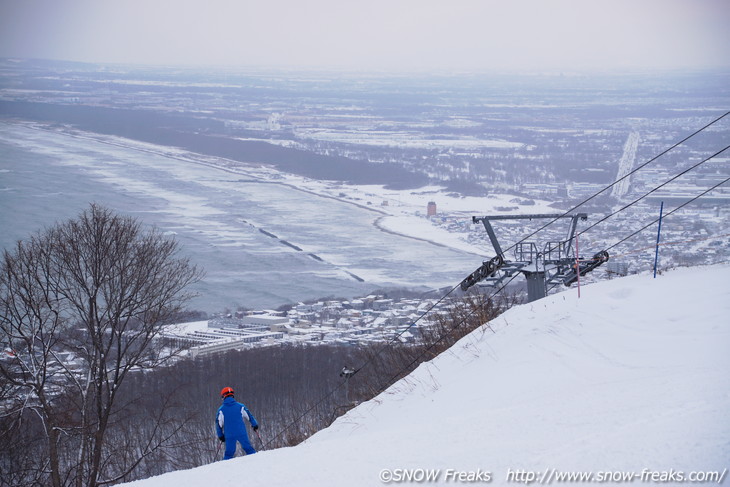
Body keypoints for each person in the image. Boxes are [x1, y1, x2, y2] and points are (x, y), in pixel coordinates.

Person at [215, 386, 259, 460]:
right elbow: (249, 416)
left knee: (229, 453)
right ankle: (256, 462)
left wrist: (220, 435)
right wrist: (254, 425)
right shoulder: (240, 406)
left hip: (229, 434)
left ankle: (224, 468)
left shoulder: (221, 410)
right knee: (248, 449)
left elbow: (218, 424)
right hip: (241, 432)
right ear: (232, 395)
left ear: (223, 396)